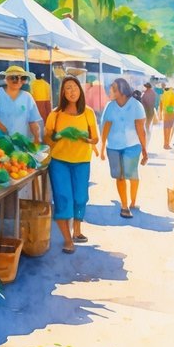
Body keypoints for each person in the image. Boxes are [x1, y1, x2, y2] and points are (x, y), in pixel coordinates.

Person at [44, 77, 97, 253]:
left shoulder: (88, 112)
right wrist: (57, 137)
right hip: (59, 161)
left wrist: (85, 139)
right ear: (63, 93)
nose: (72, 91)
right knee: (63, 198)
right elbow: (47, 138)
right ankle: (67, 239)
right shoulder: (55, 114)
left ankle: (78, 230)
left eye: (75, 87)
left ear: (80, 90)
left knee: (81, 197)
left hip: (82, 160)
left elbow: (95, 138)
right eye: (68, 88)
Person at [99, 77, 149, 217]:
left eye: (114, 88)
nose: (111, 90)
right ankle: (124, 205)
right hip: (113, 147)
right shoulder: (110, 106)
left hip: (132, 146)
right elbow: (106, 127)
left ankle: (133, 201)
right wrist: (102, 147)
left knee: (132, 175)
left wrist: (145, 150)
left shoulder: (136, 105)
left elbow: (141, 129)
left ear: (121, 90)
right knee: (119, 177)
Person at [0, 65, 43, 143]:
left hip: (21, 144)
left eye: (22, 78)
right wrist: (2, 128)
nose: (18, 80)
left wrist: (37, 137)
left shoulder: (27, 97)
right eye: (14, 77)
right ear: (6, 79)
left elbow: (33, 121)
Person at [159, 84, 174, 149]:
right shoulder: (173, 94)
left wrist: (160, 113)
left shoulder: (164, 94)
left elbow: (161, 104)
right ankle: (167, 144)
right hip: (171, 112)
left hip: (165, 112)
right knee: (169, 129)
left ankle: (165, 144)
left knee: (165, 129)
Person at [140, 83, 158, 149]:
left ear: (146, 87)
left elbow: (143, 102)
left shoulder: (145, 94)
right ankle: (148, 137)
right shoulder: (153, 93)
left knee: (145, 125)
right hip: (151, 111)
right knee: (148, 125)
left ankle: (146, 139)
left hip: (146, 111)